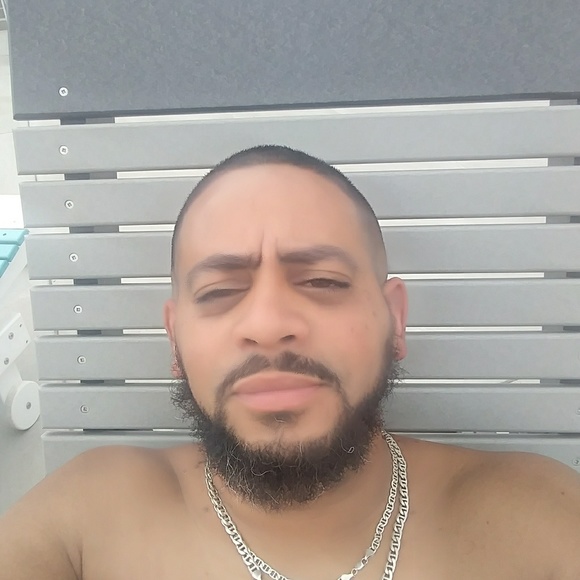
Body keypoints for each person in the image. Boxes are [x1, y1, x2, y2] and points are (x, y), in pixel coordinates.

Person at [1, 145, 579, 580]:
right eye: (220, 291)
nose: (269, 322)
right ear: (175, 342)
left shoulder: (537, 517)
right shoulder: (86, 516)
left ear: (394, 319)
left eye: (323, 281)